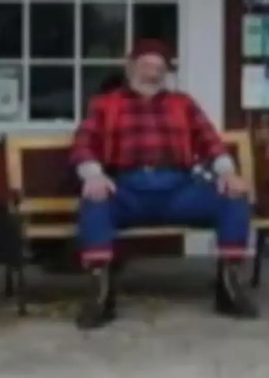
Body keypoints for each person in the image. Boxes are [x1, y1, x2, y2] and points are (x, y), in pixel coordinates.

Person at [68, 38, 258, 328]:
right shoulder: (105, 104)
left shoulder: (182, 104)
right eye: (145, 66)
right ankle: (100, 295)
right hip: (127, 189)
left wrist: (227, 173)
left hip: (178, 190)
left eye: (159, 68)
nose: (152, 73)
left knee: (233, 197)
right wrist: (93, 174)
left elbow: (210, 140)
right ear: (131, 67)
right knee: (95, 201)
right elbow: (83, 145)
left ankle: (229, 287)